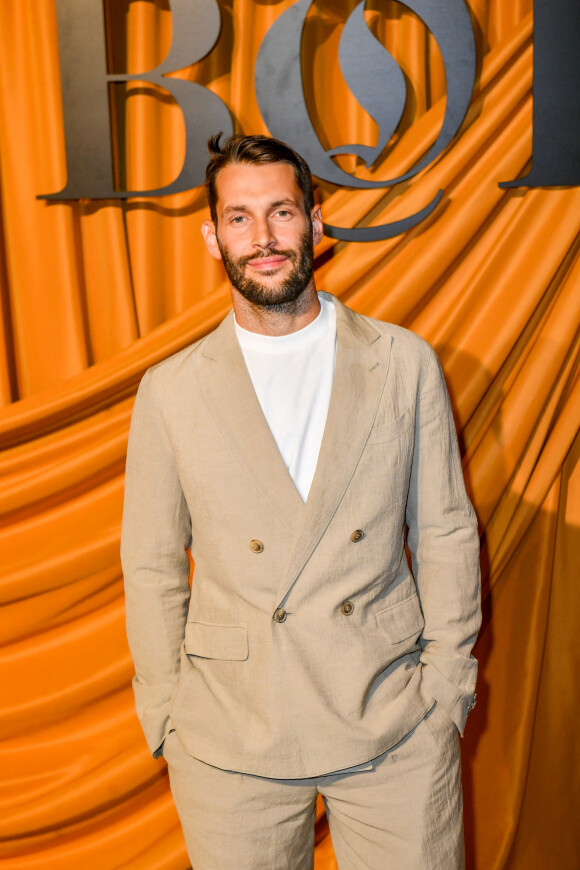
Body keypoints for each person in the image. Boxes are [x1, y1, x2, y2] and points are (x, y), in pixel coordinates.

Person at [121, 133, 481, 870]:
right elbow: (151, 563)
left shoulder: (400, 361)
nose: (263, 238)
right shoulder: (171, 388)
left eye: (281, 213)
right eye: (240, 218)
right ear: (212, 237)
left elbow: (445, 530)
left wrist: (446, 691)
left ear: (315, 223)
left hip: (391, 720)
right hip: (229, 732)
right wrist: (167, 715)